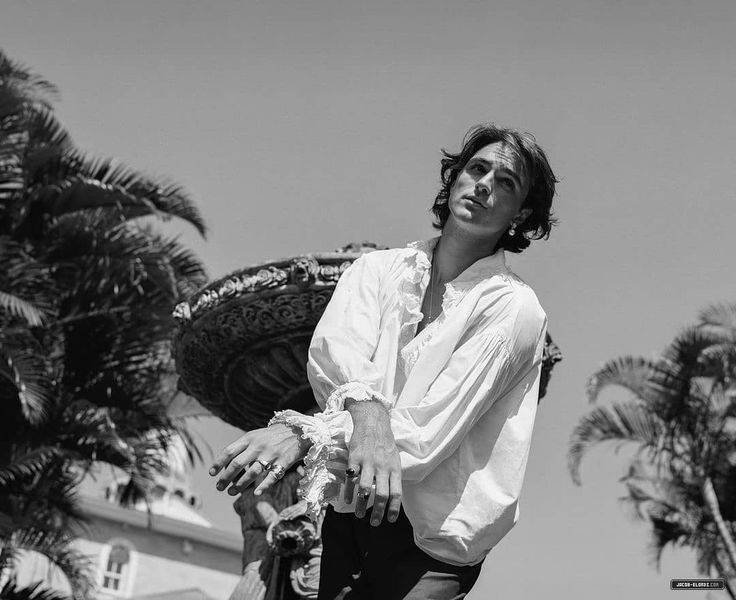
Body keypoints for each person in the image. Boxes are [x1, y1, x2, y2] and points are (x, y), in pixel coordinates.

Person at [210, 123, 558, 600]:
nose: (484, 184)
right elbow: (339, 362)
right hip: (350, 514)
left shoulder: (515, 309)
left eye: (506, 182)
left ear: (522, 214)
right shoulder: (374, 271)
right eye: (478, 168)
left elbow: (423, 438)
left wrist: (300, 433)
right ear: (454, 176)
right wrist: (364, 412)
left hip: (431, 545)